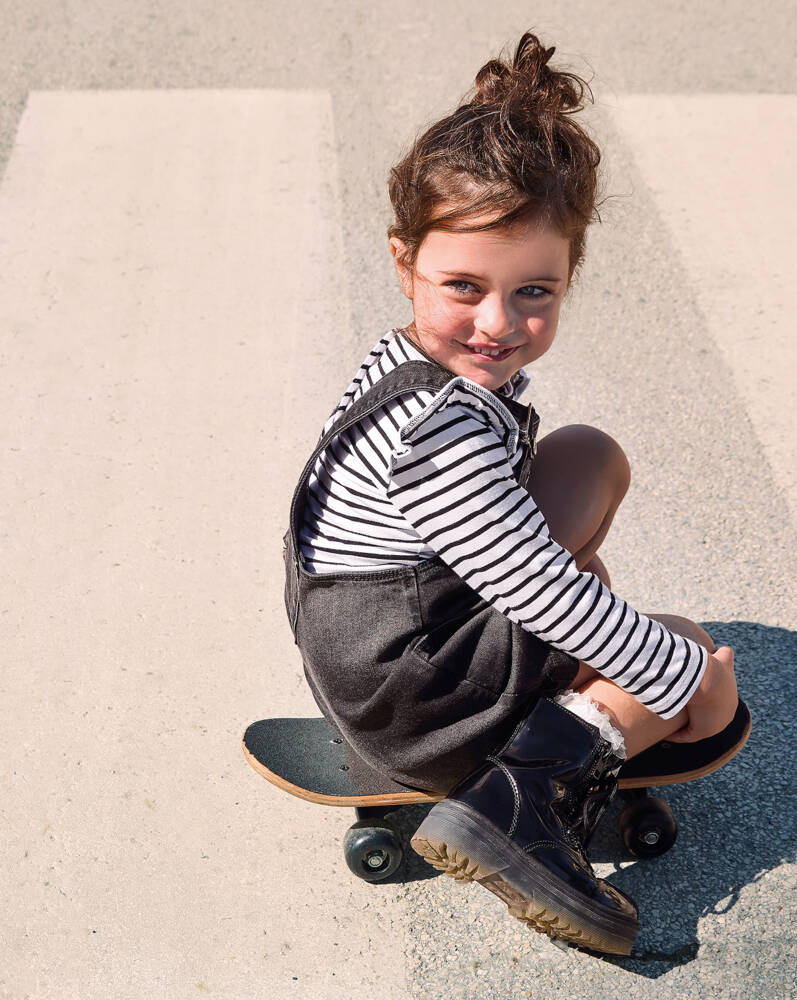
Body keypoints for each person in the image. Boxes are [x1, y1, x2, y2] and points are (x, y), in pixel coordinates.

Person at [281, 32, 749, 956]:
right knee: (685, 655)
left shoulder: (411, 364)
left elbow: (516, 556)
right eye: (464, 285)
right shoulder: (442, 433)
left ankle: (555, 710)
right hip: (415, 699)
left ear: (571, 275)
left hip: (385, 645)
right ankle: (519, 803)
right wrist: (686, 678)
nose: (499, 324)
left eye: (535, 290)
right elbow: (537, 587)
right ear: (403, 258)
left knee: (585, 454)